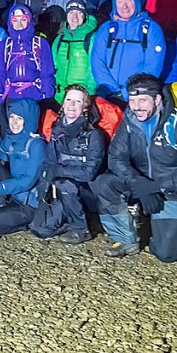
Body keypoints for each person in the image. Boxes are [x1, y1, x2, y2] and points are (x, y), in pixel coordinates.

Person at [91, 74, 177, 261]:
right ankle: (126, 239)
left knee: (165, 254)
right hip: (141, 183)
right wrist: (138, 183)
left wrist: (154, 187)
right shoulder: (129, 121)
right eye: (133, 100)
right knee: (104, 183)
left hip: (176, 191)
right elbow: (116, 157)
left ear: (157, 99)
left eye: (143, 100)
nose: (136, 107)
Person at [31, 84, 106, 243]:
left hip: (89, 191)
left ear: (85, 107)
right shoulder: (57, 132)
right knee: (40, 229)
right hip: (62, 189)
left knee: (65, 184)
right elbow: (48, 163)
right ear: (63, 104)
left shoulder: (94, 135)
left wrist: (58, 170)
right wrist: (43, 191)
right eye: (69, 100)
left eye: (78, 101)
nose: (72, 105)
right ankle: (77, 220)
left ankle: (81, 229)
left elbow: (89, 173)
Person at [0, 99, 47, 235]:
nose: (14, 122)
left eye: (19, 118)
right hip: (15, 194)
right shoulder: (12, 139)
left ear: (29, 120)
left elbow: (27, 181)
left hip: (29, 203)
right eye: (12, 117)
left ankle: (30, 223)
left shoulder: (37, 145)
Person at [89, 0, 166, 101]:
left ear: (136, 1)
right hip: (108, 93)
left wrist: (128, 92)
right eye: (120, 2)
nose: (125, 6)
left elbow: (153, 66)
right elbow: (97, 61)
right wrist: (110, 89)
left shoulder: (151, 29)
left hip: (139, 95)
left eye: (129, 1)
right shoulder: (106, 29)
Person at [0, 3, 55, 113]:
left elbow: (47, 71)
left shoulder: (40, 43)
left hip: (35, 95)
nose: (19, 24)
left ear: (29, 21)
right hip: (11, 95)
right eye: (15, 20)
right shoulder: (5, 45)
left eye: (23, 20)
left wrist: (47, 93)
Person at [51, 0, 98, 99]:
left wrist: (90, 91)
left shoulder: (91, 38)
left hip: (83, 95)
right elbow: (54, 66)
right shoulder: (59, 39)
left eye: (79, 13)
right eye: (71, 12)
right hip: (61, 95)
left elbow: (95, 67)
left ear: (84, 16)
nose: (74, 17)